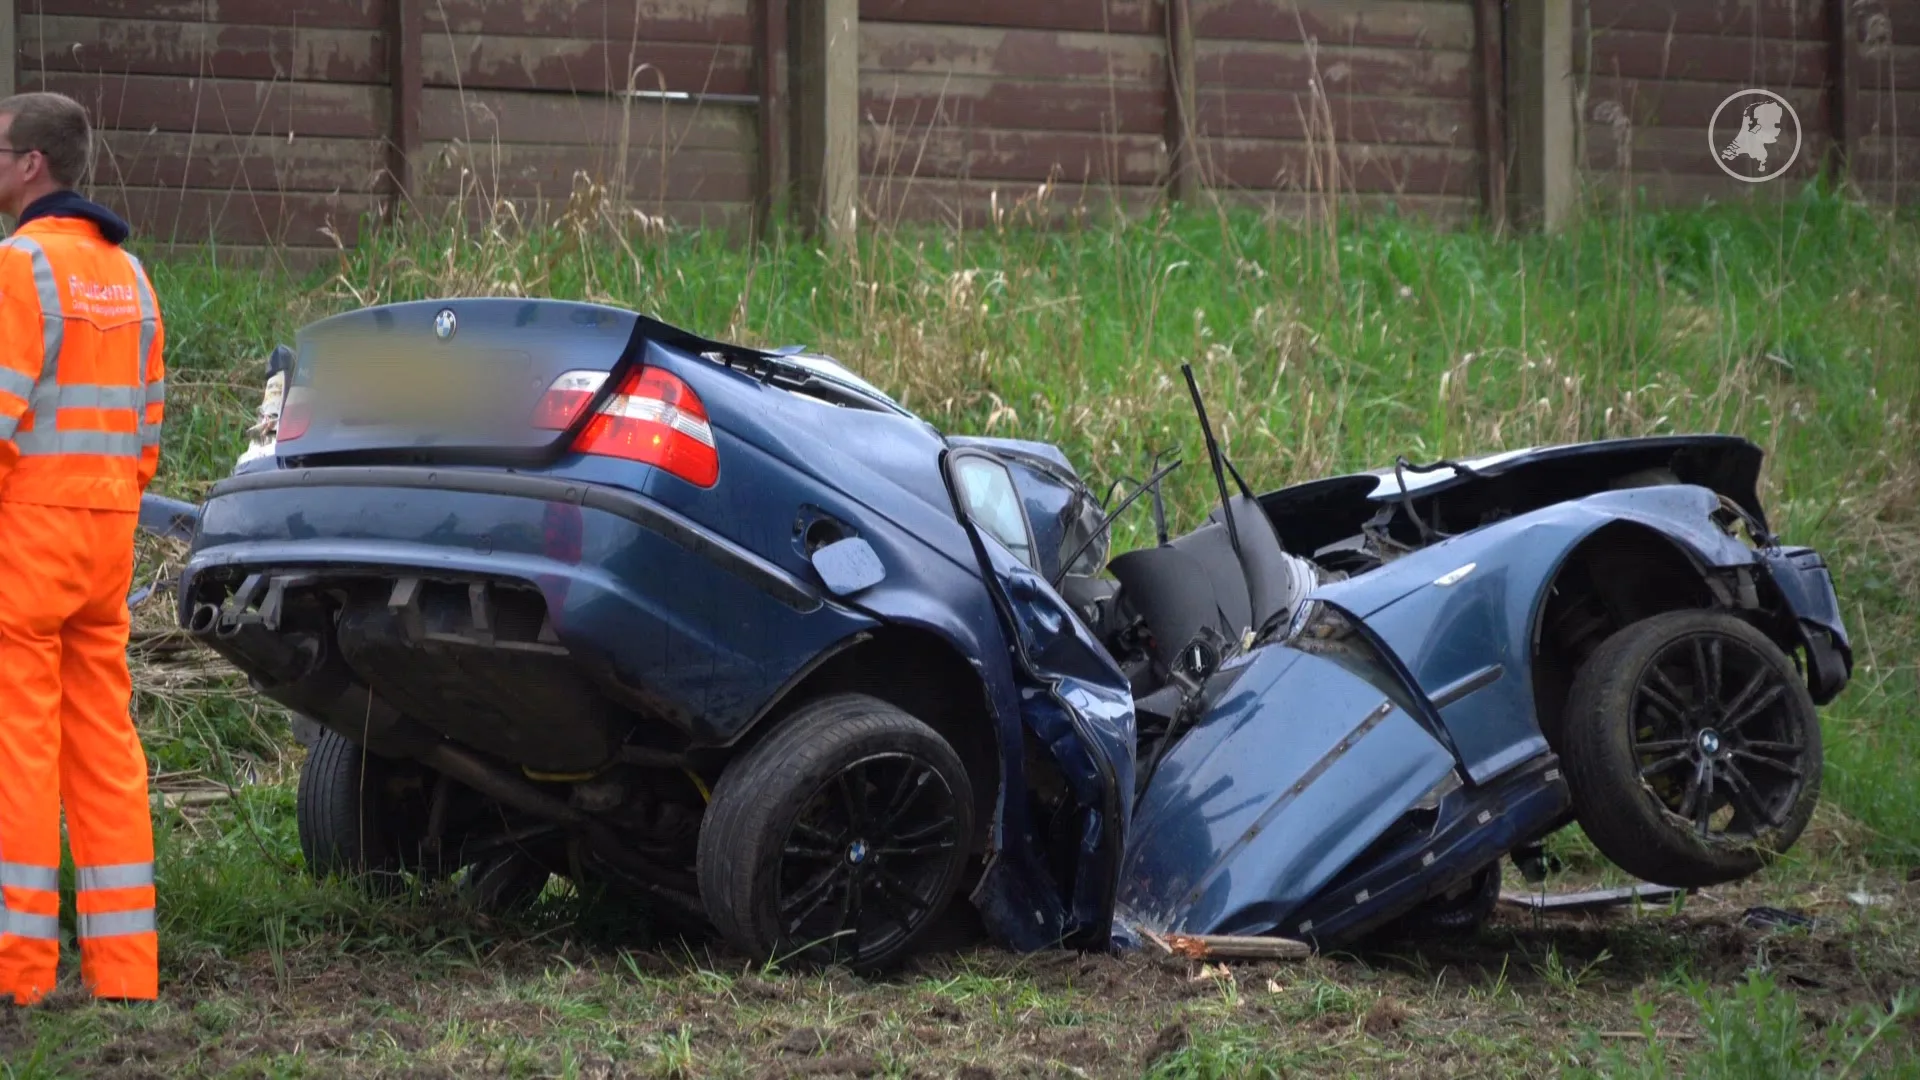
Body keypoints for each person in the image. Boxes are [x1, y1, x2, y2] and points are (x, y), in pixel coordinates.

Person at [0, 91, 164, 1006]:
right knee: (104, 746)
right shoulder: (130, 279)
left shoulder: (18, 268)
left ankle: (16, 973)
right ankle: (125, 971)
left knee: (16, 748)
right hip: (107, 543)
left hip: (27, 539)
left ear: (33, 166)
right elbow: (146, 434)